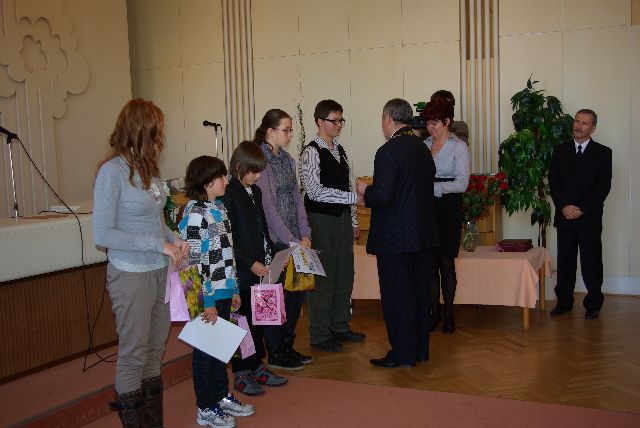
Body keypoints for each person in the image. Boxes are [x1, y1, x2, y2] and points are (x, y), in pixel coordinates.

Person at [93, 99, 189, 427]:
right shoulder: (112, 172)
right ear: (140, 131)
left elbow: (155, 222)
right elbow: (103, 233)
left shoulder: (149, 170)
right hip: (130, 274)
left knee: (154, 351)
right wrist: (158, 244)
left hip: (159, 272)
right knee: (134, 353)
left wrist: (175, 239)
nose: (161, 137)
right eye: (156, 131)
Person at [355, 98, 438, 367]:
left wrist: (365, 190)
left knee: (398, 297)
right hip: (421, 236)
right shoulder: (422, 149)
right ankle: (419, 350)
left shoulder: (388, 151)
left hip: (396, 239)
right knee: (419, 294)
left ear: (389, 118)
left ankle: (403, 353)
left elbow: (383, 196)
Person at [179, 155, 255, 428]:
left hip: (224, 289)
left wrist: (233, 287)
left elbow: (227, 254)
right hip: (206, 295)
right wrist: (207, 300)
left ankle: (221, 396)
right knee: (205, 352)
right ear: (207, 181)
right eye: (221, 176)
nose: (226, 181)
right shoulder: (194, 214)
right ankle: (205, 407)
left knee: (220, 349)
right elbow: (195, 263)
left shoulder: (219, 208)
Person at [222, 141, 289, 396]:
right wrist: (250, 263)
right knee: (244, 322)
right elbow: (229, 239)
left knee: (260, 321)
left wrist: (272, 255)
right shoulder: (229, 193)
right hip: (243, 269)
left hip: (262, 266)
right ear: (239, 166)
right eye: (254, 171)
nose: (258, 176)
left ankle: (257, 366)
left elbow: (261, 229)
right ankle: (241, 372)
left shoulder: (256, 191)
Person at [301, 99, 365, 353]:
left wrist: (353, 220)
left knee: (344, 275)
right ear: (319, 121)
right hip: (321, 221)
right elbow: (314, 192)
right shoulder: (311, 152)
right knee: (323, 278)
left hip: (341, 220)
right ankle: (320, 333)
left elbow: (347, 186)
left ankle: (339, 325)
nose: (339, 125)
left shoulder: (340, 149)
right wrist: (352, 199)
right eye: (334, 120)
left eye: (341, 120)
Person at [254, 109, 314, 367]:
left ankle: (287, 344)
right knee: (273, 296)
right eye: (285, 130)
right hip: (274, 241)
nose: (290, 135)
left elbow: (297, 199)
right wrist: (290, 239)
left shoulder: (288, 159)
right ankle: (275, 351)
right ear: (270, 131)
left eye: (291, 130)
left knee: (296, 294)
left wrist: (305, 233)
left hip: (295, 239)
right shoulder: (260, 160)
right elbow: (268, 208)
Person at [549, 109, 612, 320]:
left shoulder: (604, 153)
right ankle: (564, 303)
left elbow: (603, 188)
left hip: (589, 218)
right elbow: (554, 182)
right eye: (576, 121)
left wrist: (582, 209)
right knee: (565, 261)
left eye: (584, 123)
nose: (578, 126)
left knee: (591, 262)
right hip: (565, 216)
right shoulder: (560, 151)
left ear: (593, 128)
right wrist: (564, 207)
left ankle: (593, 304)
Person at [421, 98, 470, 334]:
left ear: (447, 121)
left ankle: (449, 313)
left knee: (446, 263)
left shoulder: (459, 146)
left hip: (448, 208)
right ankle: (435, 312)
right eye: (428, 123)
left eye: (435, 123)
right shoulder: (423, 145)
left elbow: (462, 183)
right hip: (426, 209)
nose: (430, 128)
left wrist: (433, 188)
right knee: (430, 263)